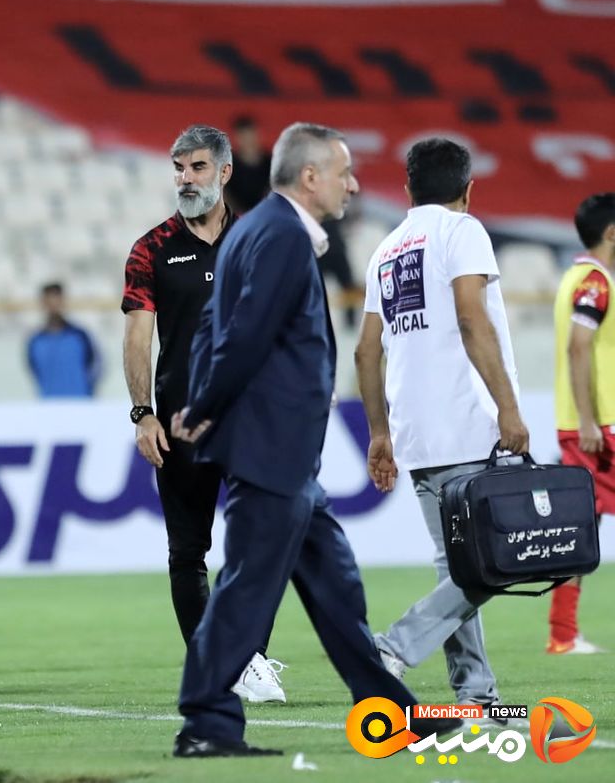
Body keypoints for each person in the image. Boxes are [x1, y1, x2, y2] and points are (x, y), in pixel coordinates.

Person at [169, 123, 450, 757]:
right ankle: (206, 724)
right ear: (310, 177)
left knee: (335, 586)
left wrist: (205, 395)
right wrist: (205, 404)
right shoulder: (281, 237)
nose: (353, 185)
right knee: (246, 591)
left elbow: (215, 324)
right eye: (344, 173)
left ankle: (393, 712)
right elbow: (245, 333)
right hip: (271, 448)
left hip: (284, 452)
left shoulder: (254, 230)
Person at [356, 138, 526, 711]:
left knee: (457, 567)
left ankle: (475, 692)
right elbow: (471, 319)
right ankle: (393, 646)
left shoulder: (386, 249)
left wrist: (379, 433)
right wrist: (507, 407)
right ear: (468, 190)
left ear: (408, 189)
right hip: (468, 423)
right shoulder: (463, 231)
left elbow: (365, 352)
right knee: (494, 560)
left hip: (416, 432)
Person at [121, 124, 283, 703]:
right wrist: (143, 413)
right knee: (188, 552)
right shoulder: (151, 248)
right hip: (181, 423)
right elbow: (138, 338)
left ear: (224, 171)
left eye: (196, 167)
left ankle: (249, 659)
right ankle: (219, 664)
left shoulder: (259, 240)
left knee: (262, 546)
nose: (185, 179)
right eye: (179, 168)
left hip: (252, 422)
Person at [548, 192, 615, 655]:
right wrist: (590, 421)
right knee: (579, 527)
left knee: (580, 527)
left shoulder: (574, 276)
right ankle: (562, 634)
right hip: (597, 426)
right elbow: (578, 346)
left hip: (581, 423)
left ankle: (563, 633)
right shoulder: (595, 282)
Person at [27, 282, 99, 398]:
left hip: (80, 403)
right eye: (49, 301)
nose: (53, 306)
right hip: (49, 404)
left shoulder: (80, 336)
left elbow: (95, 366)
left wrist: (89, 390)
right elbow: (34, 371)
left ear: (63, 301)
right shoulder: (35, 341)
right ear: (43, 303)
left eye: (57, 300)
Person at [224, 115, 271, 214]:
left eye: (250, 135)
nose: (248, 141)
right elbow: (225, 194)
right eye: (243, 137)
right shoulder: (228, 165)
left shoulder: (271, 163)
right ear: (237, 138)